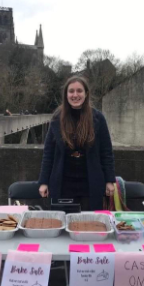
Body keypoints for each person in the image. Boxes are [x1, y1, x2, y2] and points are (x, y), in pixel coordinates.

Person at [38, 76, 115, 211]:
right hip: (63, 183)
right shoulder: (57, 118)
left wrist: (109, 180)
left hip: (91, 182)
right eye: (71, 91)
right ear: (66, 94)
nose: (75, 95)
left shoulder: (98, 118)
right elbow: (48, 153)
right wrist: (44, 182)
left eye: (79, 91)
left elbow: (106, 152)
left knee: (91, 224)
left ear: (86, 94)